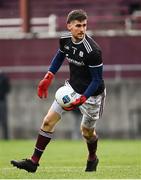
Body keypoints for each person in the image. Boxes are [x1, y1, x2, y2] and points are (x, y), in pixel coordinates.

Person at [11, 9, 106, 172]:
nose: (82, 29)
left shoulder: (93, 51)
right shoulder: (64, 41)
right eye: (78, 25)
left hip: (92, 95)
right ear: (69, 26)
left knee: (87, 133)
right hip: (71, 89)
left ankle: (92, 157)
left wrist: (83, 98)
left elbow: (97, 80)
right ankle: (33, 162)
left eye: (84, 25)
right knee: (48, 121)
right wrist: (48, 76)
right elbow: (60, 55)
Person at [0, 70, 11, 139]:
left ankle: (6, 137)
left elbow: (8, 89)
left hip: (2, 100)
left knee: (4, 120)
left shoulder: (4, 78)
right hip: (2, 100)